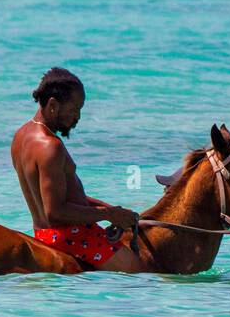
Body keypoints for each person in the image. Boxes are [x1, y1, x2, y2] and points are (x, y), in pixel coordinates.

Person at [11, 67, 143, 271]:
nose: (78, 117)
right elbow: (55, 212)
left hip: (43, 233)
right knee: (142, 273)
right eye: (74, 110)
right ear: (53, 105)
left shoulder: (21, 136)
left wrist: (114, 211)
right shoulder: (50, 147)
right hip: (69, 236)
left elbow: (60, 196)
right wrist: (108, 215)